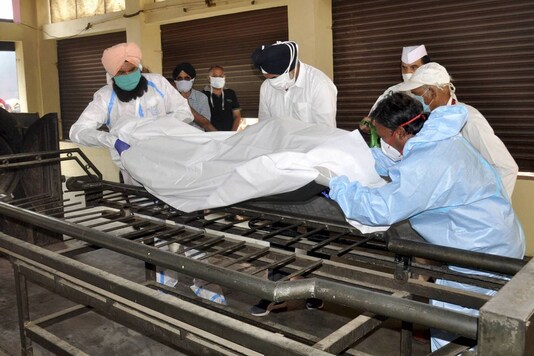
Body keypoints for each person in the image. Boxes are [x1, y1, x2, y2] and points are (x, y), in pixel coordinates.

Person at [328, 92, 525, 352]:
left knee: (452, 327)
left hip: (478, 253)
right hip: (501, 238)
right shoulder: (440, 138)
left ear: (399, 133)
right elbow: (405, 162)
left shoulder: (428, 161)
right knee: (487, 324)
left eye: (383, 136)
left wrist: (338, 186)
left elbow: (381, 208)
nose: (382, 142)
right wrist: (371, 157)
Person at [69, 42, 193, 185]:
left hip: (168, 161)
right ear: (112, 75)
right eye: (121, 73)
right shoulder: (105, 97)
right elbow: (77, 131)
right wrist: (112, 141)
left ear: (139, 68)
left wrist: (159, 127)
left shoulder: (158, 83)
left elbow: (185, 112)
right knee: (143, 204)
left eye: (132, 70)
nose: (128, 75)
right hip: (133, 173)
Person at [396, 62, 518, 198]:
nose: (415, 100)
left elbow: (506, 167)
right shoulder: (428, 121)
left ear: (431, 92)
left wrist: (495, 207)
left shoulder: (470, 119)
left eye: (417, 95)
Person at [251, 40, 337, 127]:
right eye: (267, 78)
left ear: (289, 70)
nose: (271, 82)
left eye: (274, 77)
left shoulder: (319, 85)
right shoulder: (266, 87)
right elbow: (265, 125)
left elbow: (326, 130)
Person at [360, 45, 430, 133]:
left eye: (414, 67)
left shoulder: (435, 92)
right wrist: (367, 124)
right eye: (404, 68)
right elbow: (370, 121)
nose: (407, 73)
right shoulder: (393, 91)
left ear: (426, 68)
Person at [172, 62, 217, 132]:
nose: (183, 81)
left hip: (197, 139)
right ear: (175, 81)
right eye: (180, 78)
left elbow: (205, 123)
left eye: (187, 78)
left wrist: (185, 104)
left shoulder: (201, 97)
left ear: (192, 80)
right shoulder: (170, 98)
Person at [202, 65, 242, 131]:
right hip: (210, 136)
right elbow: (203, 120)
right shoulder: (203, 95)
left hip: (229, 135)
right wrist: (217, 135)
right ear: (209, 78)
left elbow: (237, 116)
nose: (218, 78)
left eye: (220, 76)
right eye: (215, 76)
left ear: (224, 77)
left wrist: (232, 134)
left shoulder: (230, 93)